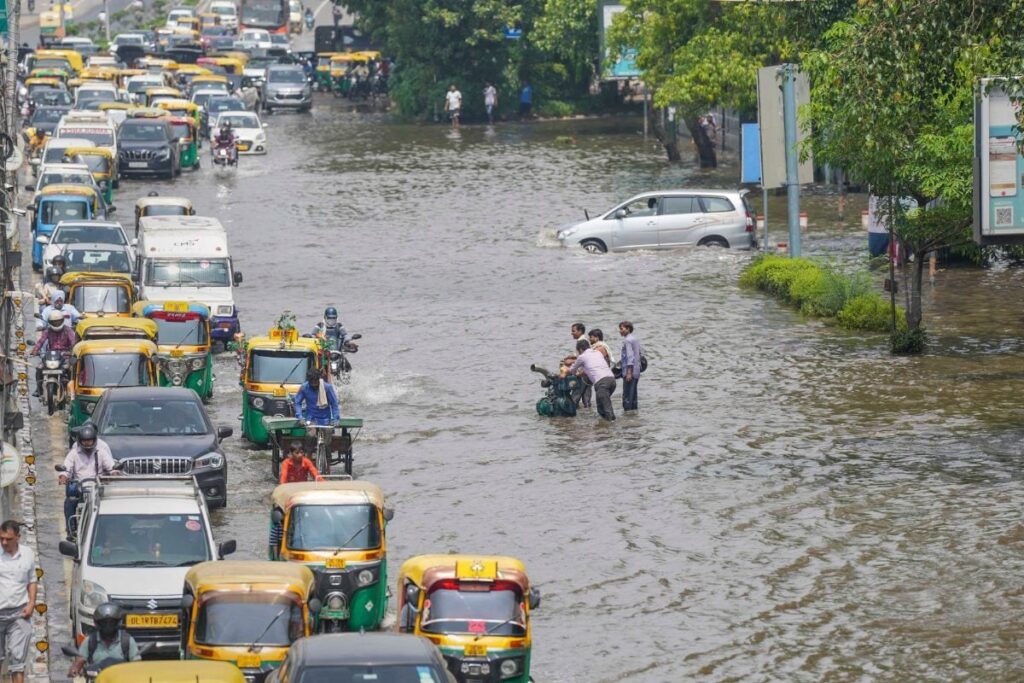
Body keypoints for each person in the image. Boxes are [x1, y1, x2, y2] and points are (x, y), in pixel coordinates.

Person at [59, 423, 118, 538]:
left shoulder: (101, 452)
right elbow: (66, 467)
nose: (87, 443)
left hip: (97, 486)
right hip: (79, 486)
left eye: (90, 441)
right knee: (69, 502)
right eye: (85, 441)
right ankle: (71, 530)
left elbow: (111, 466)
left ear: (94, 440)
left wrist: (114, 472)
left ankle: (106, 531)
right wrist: (63, 475)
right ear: (80, 441)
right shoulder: (74, 453)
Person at [0, 521, 37, 683]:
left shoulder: (28, 553)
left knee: (17, 661)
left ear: (18, 537)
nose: (4, 543)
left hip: (19, 614)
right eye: (1, 539)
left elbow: (32, 580)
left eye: (8, 539)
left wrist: (31, 604)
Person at [68, 602, 140, 677]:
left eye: (111, 622)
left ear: (117, 622)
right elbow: (80, 659)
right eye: (104, 622)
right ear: (98, 623)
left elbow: (137, 663)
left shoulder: (127, 641)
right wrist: (75, 669)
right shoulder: (91, 641)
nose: (108, 626)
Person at [563, 339, 616, 421]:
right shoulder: (597, 353)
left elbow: (572, 370)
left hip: (602, 383)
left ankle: (612, 427)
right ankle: (605, 430)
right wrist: (581, 373)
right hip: (612, 380)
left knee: (606, 409)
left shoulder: (582, 357)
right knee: (600, 408)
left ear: (580, 349)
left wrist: (565, 369)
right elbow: (592, 367)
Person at [30, 309, 77, 397]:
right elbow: (41, 341)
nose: (56, 324)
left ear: (63, 320)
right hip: (51, 356)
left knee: (71, 369)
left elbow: (73, 342)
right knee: (39, 368)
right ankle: (39, 389)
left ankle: (72, 390)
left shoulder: (68, 330)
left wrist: (73, 351)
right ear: (50, 322)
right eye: (54, 322)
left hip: (64, 356)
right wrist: (34, 351)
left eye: (58, 322)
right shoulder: (48, 331)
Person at [619, 321, 642, 412]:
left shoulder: (627, 340)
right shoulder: (634, 339)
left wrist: (628, 372)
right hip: (636, 371)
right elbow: (640, 354)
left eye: (621, 329)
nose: (620, 331)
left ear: (628, 329)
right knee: (633, 396)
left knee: (627, 396)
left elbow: (630, 356)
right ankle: (633, 416)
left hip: (630, 372)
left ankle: (628, 417)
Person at [568, 323, 591, 408]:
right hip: (588, 371)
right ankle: (587, 413)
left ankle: (571, 413)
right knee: (586, 396)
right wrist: (573, 356)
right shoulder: (585, 339)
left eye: (573, 331)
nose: (572, 333)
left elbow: (583, 357)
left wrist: (571, 361)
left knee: (576, 394)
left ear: (580, 331)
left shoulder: (581, 341)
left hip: (582, 372)